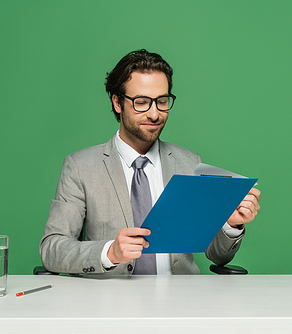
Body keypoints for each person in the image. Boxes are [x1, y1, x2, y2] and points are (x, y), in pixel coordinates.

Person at [39, 49, 261, 275]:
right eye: (142, 102)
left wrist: (230, 225)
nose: (154, 114)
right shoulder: (80, 167)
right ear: (117, 102)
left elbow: (217, 255)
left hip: (182, 300)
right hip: (111, 302)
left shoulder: (189, 162)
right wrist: (109, 252)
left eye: (162, 101)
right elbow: (52, 249)